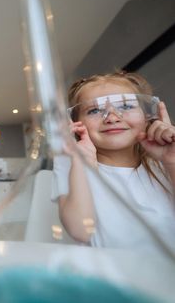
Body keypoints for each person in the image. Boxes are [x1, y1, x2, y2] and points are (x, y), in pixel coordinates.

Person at [52, 71, 175, 252]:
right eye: (94, 110)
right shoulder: (71, 164)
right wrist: (82, 163)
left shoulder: (163, 162)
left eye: (125, 106)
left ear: (147, 116)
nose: (112, 117)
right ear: (77, 124)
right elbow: (80, 231)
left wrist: (171, 161)